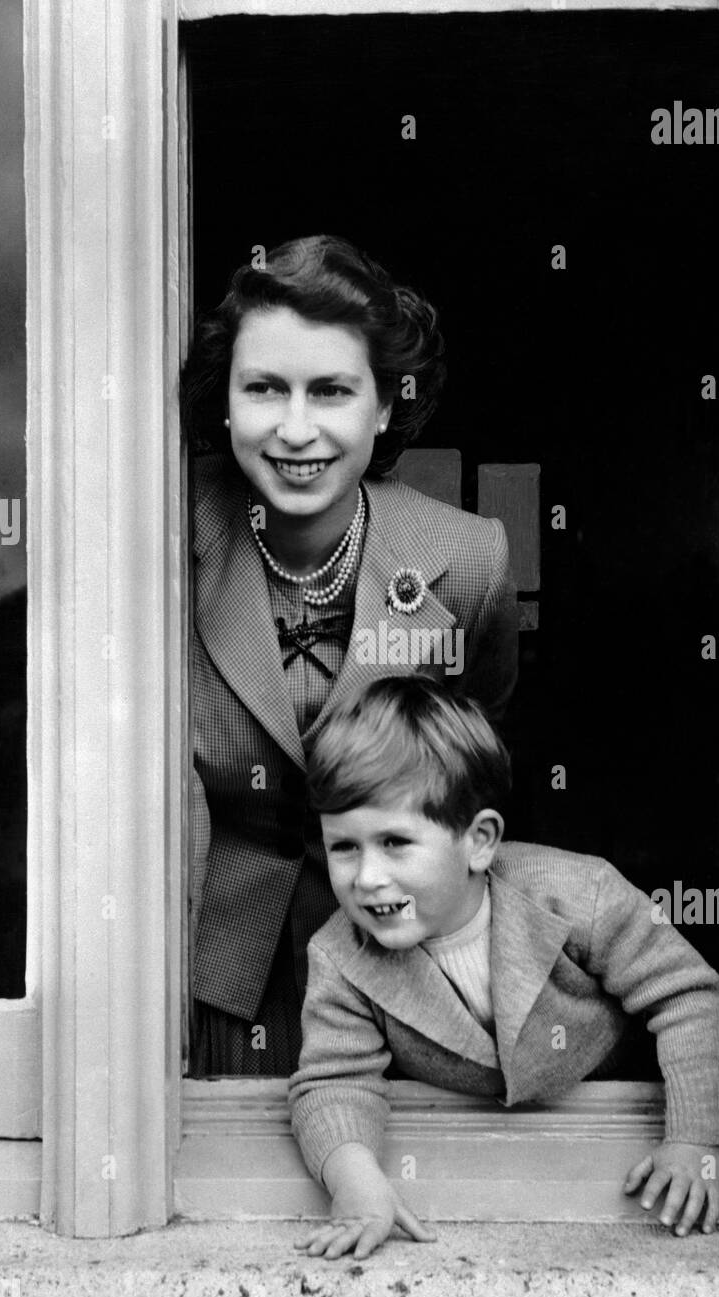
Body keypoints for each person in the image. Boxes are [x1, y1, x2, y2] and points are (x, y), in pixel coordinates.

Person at [181, 235, 518, 1076]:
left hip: (407, 969)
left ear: (383, 407)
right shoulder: (163, 535)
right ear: (225, 404)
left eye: (331, 391)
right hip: (211, 974)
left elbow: (477, 757)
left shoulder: (471, 558)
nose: (298, 430)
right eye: (265, 389)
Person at [289, 676, 719, 1259]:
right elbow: (332, 1081)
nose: (367, 877)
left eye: (395, 842)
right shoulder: (340, 954)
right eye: (344, 847)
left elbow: (687, 997)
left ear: (479, 841)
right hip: (483, 1156)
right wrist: (356, 1183)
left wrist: (694, 1140)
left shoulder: (580, 894)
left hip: (612, 1129)